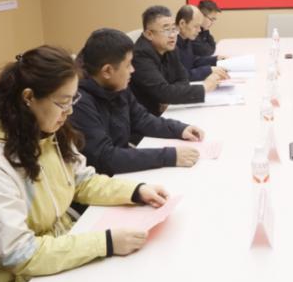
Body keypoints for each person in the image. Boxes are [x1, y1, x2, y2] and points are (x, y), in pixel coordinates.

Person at [0, 45, 169, 282]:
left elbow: (81, 182)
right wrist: (106, 243)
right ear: (29, 98)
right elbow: (20, 255)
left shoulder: (48, 133)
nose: (69, 112)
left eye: (73, 100)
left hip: (52, 264)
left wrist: (136, 191)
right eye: (63, 103)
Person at [72, 28, 206, 176]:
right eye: (128, 65)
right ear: (107, 71)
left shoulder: (117, 84)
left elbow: (141, 119)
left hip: (124, 168)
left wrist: (179, 129)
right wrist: (169, 156)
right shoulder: (79, 103)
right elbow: (105, 158)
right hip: (105, 179)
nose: (133, 70)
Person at [131, 5, 223, 116]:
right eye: (166, 30)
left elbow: (182, 77)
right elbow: (162, 91)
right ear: (149, 34)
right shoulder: (140, 55)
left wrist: (168, 97)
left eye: (174, 29)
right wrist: (204, 88)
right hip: (147, 115)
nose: (173, 35)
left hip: (167, 110)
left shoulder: (169, 46)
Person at [174, 5, 228, 82]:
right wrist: (209, 70)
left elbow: (193, 61)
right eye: (196, 26)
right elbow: (182, 76)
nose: (199, 30)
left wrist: (215, 60)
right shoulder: (171, 44)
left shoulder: (186, 39)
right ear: (182, 24)